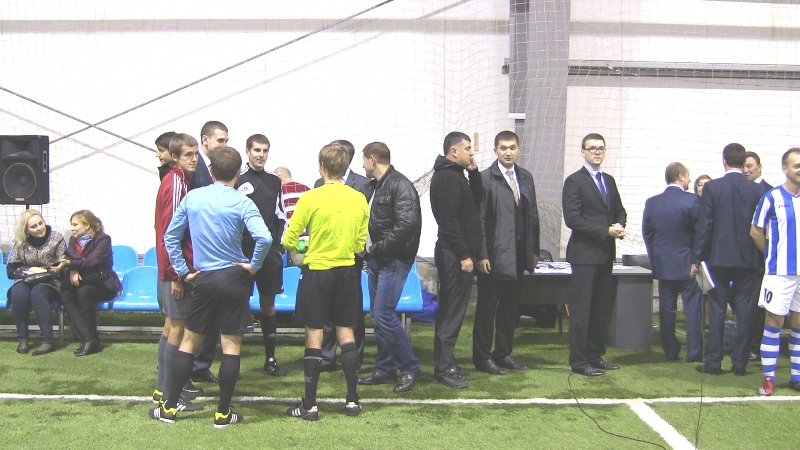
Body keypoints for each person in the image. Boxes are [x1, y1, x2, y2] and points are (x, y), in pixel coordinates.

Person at [151, 146, 271, 427]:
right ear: (239, 171)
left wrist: (183, 271)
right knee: (231, 346)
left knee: (189, 342)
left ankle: (169, 409)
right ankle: (222, 414)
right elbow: (264, 238)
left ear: (212, 171)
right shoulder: (242, 202)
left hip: (204, 278)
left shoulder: (193, 197)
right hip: (233, 279)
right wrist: (253, 266)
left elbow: (170, 237)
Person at [283, 142, 369, 420]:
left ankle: (310, 405)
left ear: (322, 166)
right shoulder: (359, 199)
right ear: (345, 168)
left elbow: (289, 239)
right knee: (347, 332)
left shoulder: (310, 198)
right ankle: (352, 400)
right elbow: (360, 244)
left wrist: (307, 245)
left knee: (314, 333)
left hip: (317, 273)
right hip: (347, 272)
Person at [357, 142, 423, 393]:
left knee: (383, 314)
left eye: (364, 159)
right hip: (377, 258)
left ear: (372, 159)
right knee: (378, 315)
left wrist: (381, 248)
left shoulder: (399, 184)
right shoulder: (376, 186)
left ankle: (409, 367)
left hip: (393, 259)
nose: (363, 165)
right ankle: (385, 368)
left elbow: (407, 223)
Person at [473, 131, 540, 374]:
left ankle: (502, 354)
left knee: (510, 309)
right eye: (503, 148)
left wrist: (534, 250)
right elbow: (479, 220)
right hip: (493, 257)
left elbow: (533, 216)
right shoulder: (485, 178)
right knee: (487, 309)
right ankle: (482, 358)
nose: (508, 152)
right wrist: (481, 254)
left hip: (519, 256)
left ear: (519, 149)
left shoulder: (525, 177)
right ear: (495, 151)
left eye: (512, 147)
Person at [696, 143, 764, 375]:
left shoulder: (713, 187)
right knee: (745, 312)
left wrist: (697, 257)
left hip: (718, 258)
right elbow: (761, 227)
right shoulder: (756, 190)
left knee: (717, 310)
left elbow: (705, 225)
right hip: (749, 259)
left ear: (724, 161)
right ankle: (740, 363)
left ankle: (714, 361)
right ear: (744, 162)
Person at [562, 133, 626, 377]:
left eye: (601, 148)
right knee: (582, 311)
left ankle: (595, 355)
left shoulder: (608, 180)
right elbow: (573, 219)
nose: (597, 152)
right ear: (583, 152)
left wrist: (619, 225)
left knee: (601, 308)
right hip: (584, 255)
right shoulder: (574, 181)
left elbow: (619, 210)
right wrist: (605, 230)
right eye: (592, 148)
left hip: (606, 254)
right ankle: (579, 361)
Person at [430, 131, 485, 389]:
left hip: (457, 254)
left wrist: (474, 173)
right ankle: (443, 369)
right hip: (453, 255)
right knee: (450, 313)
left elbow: (476, 201)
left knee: (455, 311)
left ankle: (448, 362)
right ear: (454, 151)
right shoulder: (447, 178)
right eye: (467, 148)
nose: (471, 153)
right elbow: (449, 221)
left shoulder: (457, 175)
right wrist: (464, 255)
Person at [151, 133, 202, 411]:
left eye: (195, 153)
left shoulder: (178, 180)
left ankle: (164, 389)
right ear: (174, 157)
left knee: (171, 327)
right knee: (177, 330)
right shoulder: (176, 183)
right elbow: (171, 232)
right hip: (175, 272)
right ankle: (170, 395)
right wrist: (177, 275)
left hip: (171, 268)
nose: (194, 159)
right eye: (187, 155)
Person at [313, 139, 373, 373]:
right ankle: (327, 357)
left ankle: (354, 357)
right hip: (325, 258)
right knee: (327, 310)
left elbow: (366, 220)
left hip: (351, 259)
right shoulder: (319, 183)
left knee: (352, 311)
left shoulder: (364, 184)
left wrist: (360, 250)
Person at [235, 134, 289, 377]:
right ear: (247, 151)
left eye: (265, 150)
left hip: (268, 253)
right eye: (257, 150)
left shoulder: (274, 181)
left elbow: (280, 216)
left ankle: (270, 359)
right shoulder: (237, 179)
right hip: (242, 252)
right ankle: (233, 362)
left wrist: (278, 248)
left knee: (268, 304)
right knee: (238, 304)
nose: (261, 154)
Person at [751, 147, 800, 395]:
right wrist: (771, 255)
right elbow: (755, 231)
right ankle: (768, 378)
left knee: (799, 324)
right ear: (785, 168)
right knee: (774, 323)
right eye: (796, 165)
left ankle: (797, 376)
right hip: (779, 273)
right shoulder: (771, 197)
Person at [643, 162, 703, 362]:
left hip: (663, 264)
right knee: (692, 309)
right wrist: (696, 260)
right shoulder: (692, 201)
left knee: (666, 310)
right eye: (688, 175)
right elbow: (700, 233)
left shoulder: (652, 203)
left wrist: (655, 258)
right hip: (688, 264)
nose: (690, 179)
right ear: (681, 176)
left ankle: (670, 350)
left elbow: (647, 234)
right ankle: (694, 352)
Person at [189, 120, 229, 384]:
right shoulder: (196, 168)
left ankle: (201, 364)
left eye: (226, 140)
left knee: (214, 314)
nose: (224, 145)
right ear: (205, 140)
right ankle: (186, 368)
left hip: (216, 254)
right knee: (197, 316)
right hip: (200, 253)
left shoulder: (216, 168)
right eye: (220, 140)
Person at [58, 210, 122, 357]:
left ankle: (91, 339)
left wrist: (71, 265)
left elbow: (92, 261)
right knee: (66, 295)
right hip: (82, 282)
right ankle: (89, 338)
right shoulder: (73, 240)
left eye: (75, 225)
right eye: (71, 225)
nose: (72, 228)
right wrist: (73, 269)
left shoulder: (103, 239)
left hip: (103, 284)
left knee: (84, 292)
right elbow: (68, 257)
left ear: (87, 225)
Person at [8, 210, 66, 355]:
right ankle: (22, 339)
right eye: (34, 226)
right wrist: (30, 269)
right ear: (26, 230)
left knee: (38, 292)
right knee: (17, 292)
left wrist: (43, 271)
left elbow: (62, 269)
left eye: (41, 223)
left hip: (51, 282)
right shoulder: (21, 242)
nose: (40, 228)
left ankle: (47, 341)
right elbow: (11, 270)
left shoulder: (56, 238)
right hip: (26, 279)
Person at [744, 150, 773, 361]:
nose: (746, 170)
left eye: (750, 166)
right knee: (745, 305)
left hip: (761, 259)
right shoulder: (739, 191)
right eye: (743, 167)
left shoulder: (770, 193)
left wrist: (768, 255)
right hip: (741, 258)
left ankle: (755, 346)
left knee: (758, 306)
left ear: (759, 168)